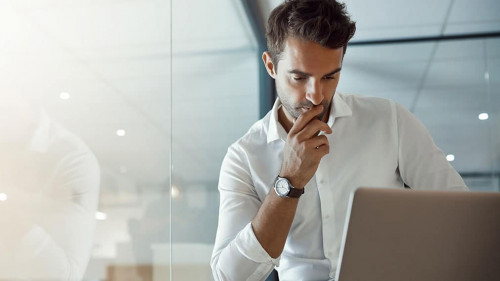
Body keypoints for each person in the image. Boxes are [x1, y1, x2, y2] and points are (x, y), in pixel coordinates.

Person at [211, 0, 468, 280]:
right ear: (271, 65)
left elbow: (463, 217)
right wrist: (289, 181)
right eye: (299, 77)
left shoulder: (389, 120)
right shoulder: (244, 157)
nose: (317, 95)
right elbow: (230, 275)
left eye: (330, 77)